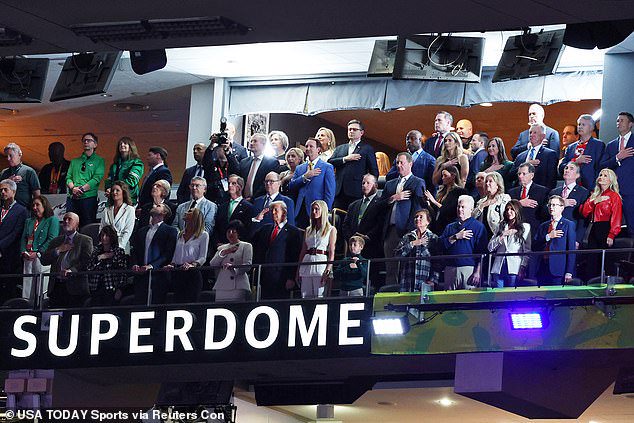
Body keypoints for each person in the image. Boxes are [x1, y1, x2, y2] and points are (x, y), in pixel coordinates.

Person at [379, 152, 426, 285]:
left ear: (410, 164)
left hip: (407, 231)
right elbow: (380, 205)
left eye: (402, 163)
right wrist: (394, 197)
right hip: (390, 230)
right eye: (397, 163)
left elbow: (417, 209)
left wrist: (411, 232)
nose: (399, 165)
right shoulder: (390, 184)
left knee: (405, 267)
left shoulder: (417, 182)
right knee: (390, 267)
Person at [41, 212, 93, 308]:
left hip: (76, 288)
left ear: (77, 224)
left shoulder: (85, 240)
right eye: (64, 219)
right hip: (56, 287)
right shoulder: (55, 241)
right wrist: (58, 250)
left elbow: (87, 262)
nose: (66, 221)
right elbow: (44, 260)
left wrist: (71, 270)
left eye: (69, 219)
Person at [252, 201, 302, 300]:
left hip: (282, 277)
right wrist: (257, 220)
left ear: (284, 212)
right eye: (272, 210)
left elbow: (295, 256)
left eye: (276, 210)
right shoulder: (266, 229)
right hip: (265, 276)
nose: (273, 212)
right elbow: (251, 239)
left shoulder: (293, 232)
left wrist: (291, 278)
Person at [131, 204, 178, 305]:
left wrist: (152, 266)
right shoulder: (142, 231)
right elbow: (135, 250)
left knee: (157, 304)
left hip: (159, 274)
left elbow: (168, 253)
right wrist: (135, 264)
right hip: (141, 275)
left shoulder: (170, 231)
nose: (154, 206)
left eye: (158, 205)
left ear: (164, 213)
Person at [581, 169, 623, 279]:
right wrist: (595, 201)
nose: (601, 177)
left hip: (606, 228)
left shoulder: (614, 196)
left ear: (610, 180)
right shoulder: (595, 195)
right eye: (600, 175)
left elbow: (616, 217)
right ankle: (591, 283)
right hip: (594, 228)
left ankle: (609, 286)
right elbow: (584, 212)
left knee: (606, 260)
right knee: (592, 259)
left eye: (605, 176)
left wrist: (612, 234)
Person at [328, 119, 379, 210]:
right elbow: (330, 162)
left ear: (361, 133)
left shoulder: (367, 149)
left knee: (353, 219)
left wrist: (369, 189)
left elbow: (374, 171)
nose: (351, 131)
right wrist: (345, 159)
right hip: (339, 191)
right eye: (349, 129)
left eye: (355, 130)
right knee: (337, 219)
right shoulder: (340, 148)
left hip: (356, 191)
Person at [439, 195, 487, 290]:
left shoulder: (478, 227)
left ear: (471, 209)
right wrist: (455, 237)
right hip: (450, 268)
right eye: (458, 206)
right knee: (449, 301)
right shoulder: (450, 227)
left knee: (469, 300)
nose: (460, 209)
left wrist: (477, 272)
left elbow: (482, 252)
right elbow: (441, 245)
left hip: (469, 269)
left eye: (463, 207)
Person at [599, 111, 634, 237]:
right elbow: (602, 165)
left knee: (632, 227)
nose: (618, 123)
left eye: (622, 120)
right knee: (610, 228)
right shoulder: (611, 145)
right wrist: (617, 158)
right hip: (613, 192)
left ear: (630, 124)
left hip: (631, 192)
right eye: (617, 120)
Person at [165, 207, 209, 303]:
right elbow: (176, 253)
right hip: (178, 272)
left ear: (196, 216)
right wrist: (172, 264)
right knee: (177, 303)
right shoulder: (180, 234)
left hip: (192, 273)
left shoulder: (203, 235)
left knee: (191, 303)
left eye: (189, 211)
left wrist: (193, 264)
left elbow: (203, 257)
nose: (185, 212)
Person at [20, 196, 59, 302]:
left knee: (41, 285)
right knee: (27, 284)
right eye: (33, 205)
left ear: (44, 205)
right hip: (28, 256)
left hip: (42, 257)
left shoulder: (52, 220)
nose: (34, 207)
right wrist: (23, 251)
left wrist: (38, 252)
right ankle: (27, 305)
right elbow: (24, 237)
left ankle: (41, 307)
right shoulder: (29, 221)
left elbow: (52, 238)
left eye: (37, 205)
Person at [291, 137, 335, 228]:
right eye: (306, 146)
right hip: (300, 208)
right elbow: (291, 186)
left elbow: (329, 192)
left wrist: (325, 211)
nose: (307, 148)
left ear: (318, 149)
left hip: (317, 210)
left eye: (311, 146)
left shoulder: (327, 167)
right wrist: (305, 177)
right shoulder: (300, 168)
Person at [297, 200, 337, 298]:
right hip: (307, 262)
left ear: (323, 211)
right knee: (305, 295)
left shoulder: (331, 229)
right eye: (312, 209)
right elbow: (303, 250)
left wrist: (328, 270)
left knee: (320, 295)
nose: (314, 212)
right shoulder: (308, 230)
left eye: (317, 209)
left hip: (321, 263)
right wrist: (298, 269)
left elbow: (332, 252)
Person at [533, 195, 576, 285]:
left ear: (562, 208)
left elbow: (571, 250)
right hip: (543, 268)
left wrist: (569, 272)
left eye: (554, 205)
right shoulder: (543, 226)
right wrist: (548, 236)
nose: (551, 207)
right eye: (550, 205)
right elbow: (534, 246)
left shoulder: (568, 225)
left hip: (558, 269)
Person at [487, 200, 531, 288]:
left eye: (512, 209)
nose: (509, 212)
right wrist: (503, 235)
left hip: (514, 267)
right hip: (499, 266)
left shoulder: (525, 227)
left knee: (511, 295)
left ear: (517, 211)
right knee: (498, 295)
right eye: (507, 209)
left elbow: (526, 250)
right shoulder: (501, 226)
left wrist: (523, 267)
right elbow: (490, 247)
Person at [394, 209, 439, 293]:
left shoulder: (433, 238)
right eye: (416, 217)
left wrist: (433, 280)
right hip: (407, 281)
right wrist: (413, 243)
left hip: (425, 280)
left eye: (421, 217)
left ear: (428, 222)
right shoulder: (407, 237)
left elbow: (437, 261)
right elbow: (397, 255)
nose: (418, 219)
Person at [65, 132, 105, 227]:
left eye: (89, 140)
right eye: (84, 140)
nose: (86, 142)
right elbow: (68, 177)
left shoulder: (99, 161)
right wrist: (73, 188)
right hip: (73, 198)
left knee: (87, 225)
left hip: (88, 198)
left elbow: (96, 178)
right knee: (70, 224)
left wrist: (82, 189)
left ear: (95, 144)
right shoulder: (75, 161)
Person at [0, 179, 29, 304]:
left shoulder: (21, 210)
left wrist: (0, 247)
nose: (2, 192)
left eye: (5, 189)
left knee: (8, 287)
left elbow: (16, 233)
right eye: (1, 190)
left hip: (10, 255)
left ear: (14, 191)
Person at [559, 114, 605, 191]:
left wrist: (597, 188)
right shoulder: (571, 147)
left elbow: (600, 168)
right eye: (579, 124)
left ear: (591, 128)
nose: (580, 126)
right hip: (571, 188)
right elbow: (561, 168)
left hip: (590, 188)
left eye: (583, 124)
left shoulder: (598, 145)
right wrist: (575, 161)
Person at [209, 220, 253, 302]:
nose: (231, 234)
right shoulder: (222, 248)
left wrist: (233, 268)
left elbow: (247, 265)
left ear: (239, 233)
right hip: (222, 284)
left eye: (234, 231)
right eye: (228, 231)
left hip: (238, 284)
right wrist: (225, 252)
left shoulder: (246, 246)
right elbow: (213, 264)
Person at [87, 225, 129, 306]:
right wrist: (101, 258)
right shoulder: (96, 251)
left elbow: (122, 272)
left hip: (111, 287)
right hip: (96, 286)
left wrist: (120, 289)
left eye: (106, 235)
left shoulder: (119, 251)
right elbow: (90, 268)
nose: (104, 238)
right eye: (102, 235)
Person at [550, 162, 589, 246]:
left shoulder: (583, 192)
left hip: (571, 234)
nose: (567, 170)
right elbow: (544, 212)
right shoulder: (554, 191)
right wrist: (562, 203)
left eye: (571, 169)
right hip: (553, 233)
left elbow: (583, 219)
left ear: (577, 175)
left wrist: (578, 239)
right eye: (566, 168)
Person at [386, 129, 436, 195]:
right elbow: (389, 177)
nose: (409, 141)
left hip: (419, 197)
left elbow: (432, 184)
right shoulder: (400, 158)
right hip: (399, 195)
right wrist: (402, 171)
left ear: (420, 140)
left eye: (412, 139)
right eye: (407, 139)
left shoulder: (429, 160)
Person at [233, 133, 280, 200]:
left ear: (263, 145)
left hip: (260, 201)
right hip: (242, 200)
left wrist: (253, 199)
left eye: (255, 141)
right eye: (251, 141)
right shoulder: (244, 162)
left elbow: (267, 184)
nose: (251, 143)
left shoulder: (272, 163)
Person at [511, 124, 558, 190]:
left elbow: (551, 180)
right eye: (530, 132)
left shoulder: (550, 154)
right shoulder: (520, 156)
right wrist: (525, 164)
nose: (531, 135)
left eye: (535, 132)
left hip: (540, 194)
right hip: (519, 194)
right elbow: (510, 176)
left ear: (543, 136)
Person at [424, 165, 467, 235]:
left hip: (449, 227)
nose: (442, 178)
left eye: (445, 175)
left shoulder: (460, 192)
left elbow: (449, 211)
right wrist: (429, 204)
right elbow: (436, 212)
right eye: (442, 176)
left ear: (453, 176)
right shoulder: (441, 192)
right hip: (437, 226)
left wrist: (434, 201)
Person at [214, 175, 255, 246]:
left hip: (238, 247)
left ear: (240, 187)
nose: (230, 186)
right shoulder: (222, 206)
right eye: (229, 183)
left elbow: (248, 230)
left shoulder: (248, 207)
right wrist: (217, 243)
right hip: (220, 246)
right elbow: (216, 226)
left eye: (233, 183)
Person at [508, 163, 549, 230]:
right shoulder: (511, 192)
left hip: (534, 230)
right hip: (515, 229)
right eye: (519, 174)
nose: (520, 176)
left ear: (532, 175)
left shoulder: (542, 191)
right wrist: (519, 203)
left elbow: (544, 214)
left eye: (524, 174)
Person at [105, 136, 144, 205]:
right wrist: (108, 189)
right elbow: (109, 179)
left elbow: (132, 180)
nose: (122, 145)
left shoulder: (137, 163)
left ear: (131, 146)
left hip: (129, 199)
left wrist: (115, 189)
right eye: (120, 144)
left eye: (125, 143)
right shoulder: (115, 164)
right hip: (113, 200)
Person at [473, 172, 511, 240]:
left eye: (490, 181)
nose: (487, 184)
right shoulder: (481, 201)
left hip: (497, 236)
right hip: (482, 236)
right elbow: (472, 217)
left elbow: (506, 218)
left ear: (497, 185)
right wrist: (481, 206)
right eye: (486, 181)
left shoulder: (504, 198)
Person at [100, 181, 135, 253]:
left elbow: (128, 231)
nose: (114, 192)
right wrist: (102, 245)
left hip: (121, 248)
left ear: (123, 193)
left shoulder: (129, 209)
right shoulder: (107, 209)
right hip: (106, 246)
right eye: (113, 190)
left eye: (117, 190)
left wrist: (118, 249)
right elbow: (101, 228)